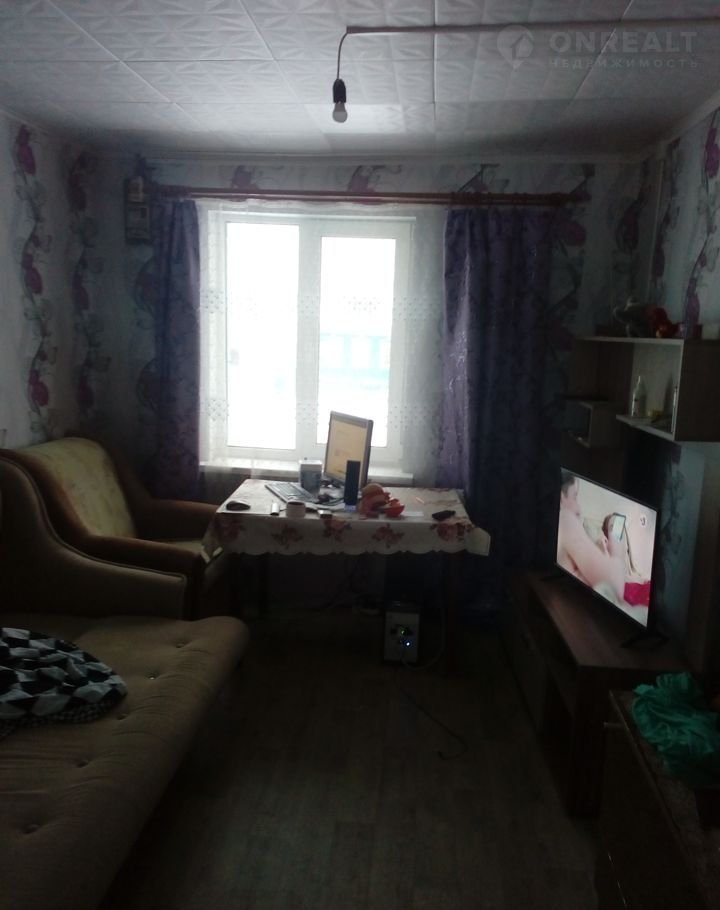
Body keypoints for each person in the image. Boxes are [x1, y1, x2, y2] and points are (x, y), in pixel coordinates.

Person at [557, 471, 626, 602]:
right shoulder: (565, 517)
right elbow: (615, 588)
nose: (579, 509)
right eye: (575, 496)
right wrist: (617, 546)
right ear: (561, 498)